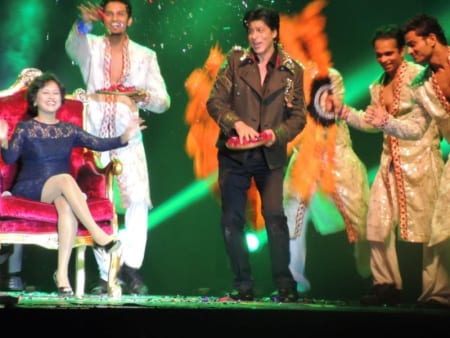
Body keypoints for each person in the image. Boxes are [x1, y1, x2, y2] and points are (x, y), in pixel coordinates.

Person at [0, 72, 145, 297]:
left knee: (66, 207)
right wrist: (2, 139)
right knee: (67, 180)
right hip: (29, 188)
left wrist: (125, 136)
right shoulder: (25, 128)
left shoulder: (69, 129)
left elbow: (98, 143)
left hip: (59, 189)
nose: (51, 97)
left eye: (55, 93)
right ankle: (99, 236)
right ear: (35, 99)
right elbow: (9, 159)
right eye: (45, 92)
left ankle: (62, 275)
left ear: (61, 99)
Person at [65, 0, 171, 295]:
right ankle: (105, 274)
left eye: (120, 14)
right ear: (103, 18)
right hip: (93, 138)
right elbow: (71, 46)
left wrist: (143, 95)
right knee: (98, 202)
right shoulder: (91, 45)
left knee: (137, 201)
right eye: (109, 13)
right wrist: (83, 24)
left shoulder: (145, 56)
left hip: (129, 138)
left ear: (129, 20)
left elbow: (164, 101)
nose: (115, 19)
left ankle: (131, 267)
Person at [335, 24, 444, 306]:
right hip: (389, 162)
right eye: (379, 55)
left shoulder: (420, 79)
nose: (384, 59)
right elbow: (375, 124)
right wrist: (345, 112)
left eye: (389, 53)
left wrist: (386, 122)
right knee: (376, 223)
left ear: (402, 51)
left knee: (432, 230)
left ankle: (439, 292)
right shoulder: (377, 85)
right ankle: (386, 284)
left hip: (421, 161)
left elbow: (418, 127)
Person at [206, 7, 307, 302]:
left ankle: (285, 284)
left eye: (261, 30)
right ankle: (243, 284)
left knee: (275, 217)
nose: (255, 36)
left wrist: (277, 135)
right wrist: (235, 123)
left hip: (270, 156)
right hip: (234, 155)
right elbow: (215, 101)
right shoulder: (236, 62)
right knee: (232, 220)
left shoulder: (291, 70)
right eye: (251, 30)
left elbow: (298, 117)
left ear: (274, 32)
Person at [364, 14, 450, 308]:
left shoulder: (416, 78)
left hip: (424, 163)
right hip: (411, 160)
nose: (411, 51)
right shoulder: (424, 83)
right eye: (409, 46)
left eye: (412, 45)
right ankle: (433, 294)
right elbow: (415, 127)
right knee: (441, 227)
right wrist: (384, 121)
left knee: (438, 226)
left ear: (432, 39)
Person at [283, 66, 370, 296]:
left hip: (335, 157)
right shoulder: (288, 78)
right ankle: (292, 283)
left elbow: (329, 111)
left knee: (359, 219)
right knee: (292, 219)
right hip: (304, 159)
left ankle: (373, 277)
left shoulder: (331, 76)